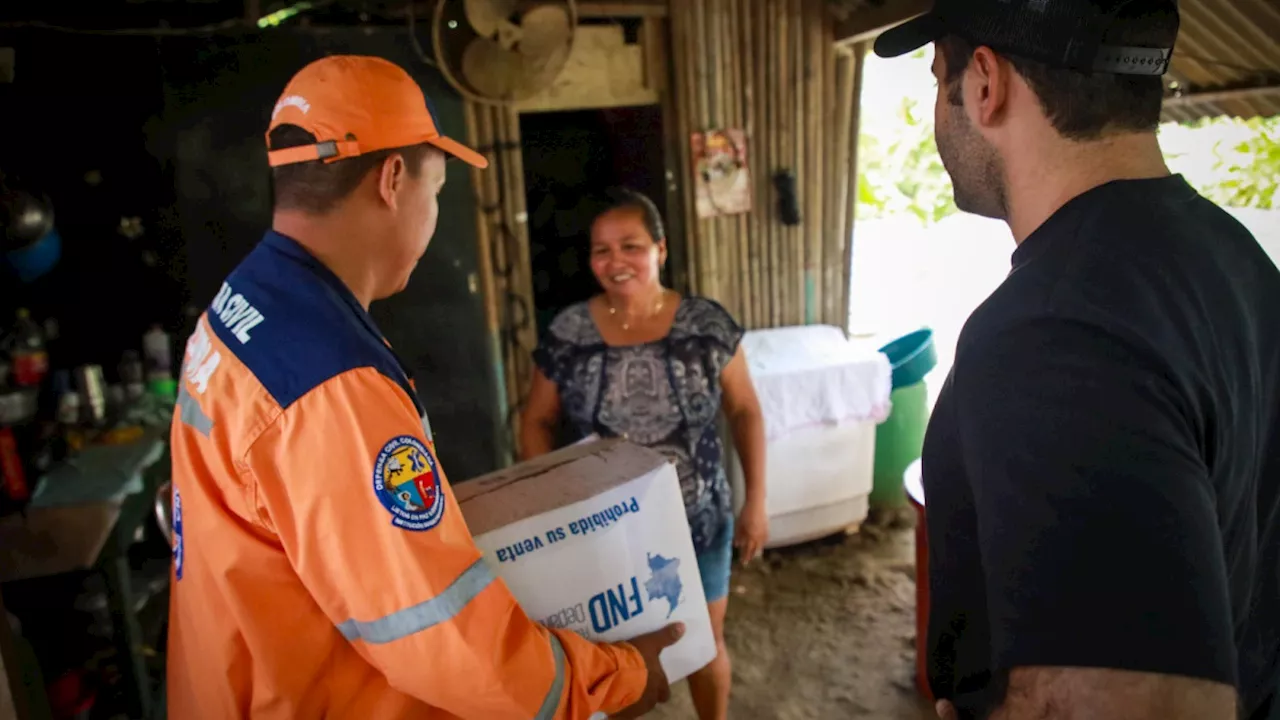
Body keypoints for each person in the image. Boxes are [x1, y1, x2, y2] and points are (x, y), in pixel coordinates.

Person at [166, 55, 682, 719]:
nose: (434, 217)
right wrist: (618, 680)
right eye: (437, 193)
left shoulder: (237, 309)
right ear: (393, 178)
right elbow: (450, 644)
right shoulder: (331, 381)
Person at [872, 1, 1280, 719]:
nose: (940, 112)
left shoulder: (1050, 333)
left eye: (939, 80)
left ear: (986, 83)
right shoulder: (1240, 262)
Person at [520, 188, 769, 720]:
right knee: (617, 658)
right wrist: (551, 508)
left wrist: (756, 503)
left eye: (630, 246)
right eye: (601, 251)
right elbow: (536, 420)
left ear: (660, 248)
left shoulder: (706, 326)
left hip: (700, 518)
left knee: (704, 642)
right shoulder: (570, 333)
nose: (615, 263)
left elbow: (745, 410)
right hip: (604, 531)